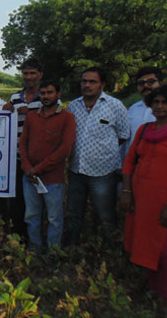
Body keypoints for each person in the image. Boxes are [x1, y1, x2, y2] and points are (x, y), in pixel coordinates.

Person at [121, 85, 167, 301]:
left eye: (165, 102)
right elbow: (129, 162)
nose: (160, 106)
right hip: (141, 200)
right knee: (142, 244)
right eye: (156, 102)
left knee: (164, 252)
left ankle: (164, 297)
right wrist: (127, 192)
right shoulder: (144, 130)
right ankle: (149, 286)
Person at [65, 67, 130, 245]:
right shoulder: (73, 106)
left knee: (105, 215)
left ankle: (109, 252)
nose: (87, 85)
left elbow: (123, 135)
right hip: (76, 170)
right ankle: (71, 250)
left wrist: (103, 151)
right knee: (73, 213)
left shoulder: (115, 106)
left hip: (103, 173)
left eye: (92, 81)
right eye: (84, 81)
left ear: (102, 84)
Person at [19, 80, 76, 252]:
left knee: (54, 219)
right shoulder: (32, 116)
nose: (45, 96)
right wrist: (26, 165)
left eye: (49, 93)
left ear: (58, 94)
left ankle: (53, 254)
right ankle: (35, 250)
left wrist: (38, 169)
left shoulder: (67, 117)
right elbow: (23, 142)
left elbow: (65, 150)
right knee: (31, 216)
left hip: (53, 179)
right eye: (42, 93)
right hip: (30, 178)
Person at [2, 58, 44, 237]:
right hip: (17, 158)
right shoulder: (15, 98)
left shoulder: (46, 96)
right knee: (17, 201)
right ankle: (19, 237)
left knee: (38, 202)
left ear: (40, 75)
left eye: (33, 73)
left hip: (40, 159)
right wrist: (6, 111)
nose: (29, 77)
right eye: (26, 73)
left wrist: (32, 113)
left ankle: (37, 240)